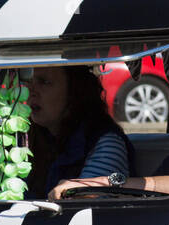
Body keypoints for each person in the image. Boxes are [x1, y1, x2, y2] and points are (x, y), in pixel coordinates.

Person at [23, 65, 134, 200]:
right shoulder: (28, 139)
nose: (31, 91)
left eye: (44, 82)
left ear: (74, 92)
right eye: (28, 81)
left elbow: (82, 207)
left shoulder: (106, 144)